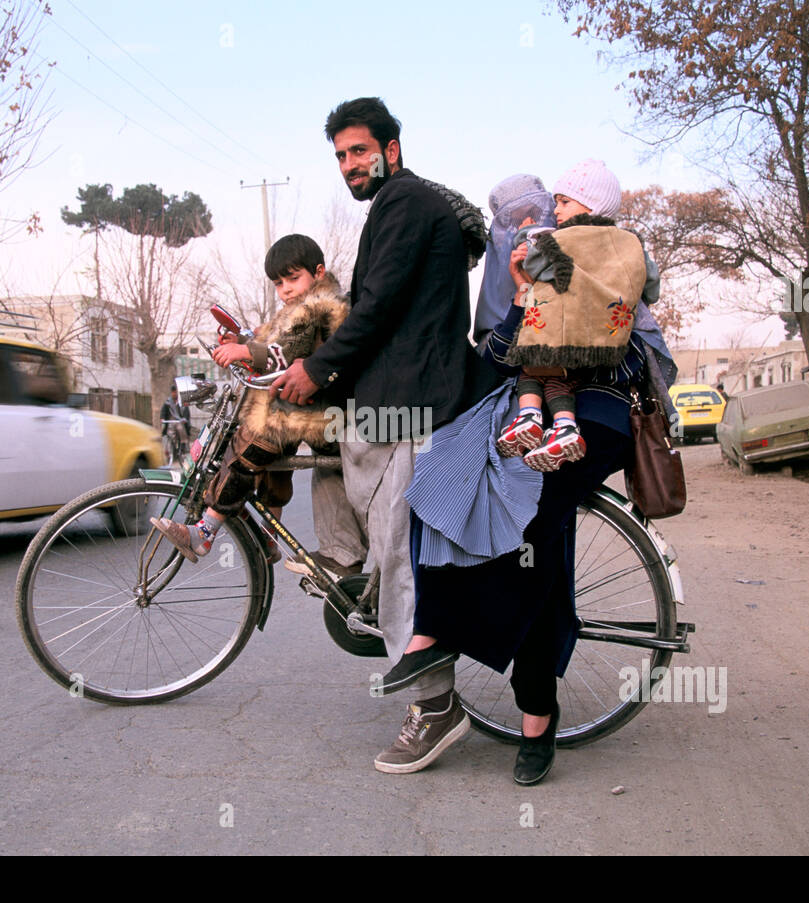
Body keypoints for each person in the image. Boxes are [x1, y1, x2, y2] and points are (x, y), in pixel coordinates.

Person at [387, 168, 677, 785]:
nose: (540, 222)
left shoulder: (614, 264)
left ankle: (530, 708)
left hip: (597, 414)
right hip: (528, 415)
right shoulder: (529, 266)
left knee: (533, 529)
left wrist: (577, 319)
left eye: (558, 207)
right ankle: (434, 634)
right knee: (440, 478)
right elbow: (496, 357)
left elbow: (640, 361)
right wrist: (524, 299)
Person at [269, 97, 497, 774]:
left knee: (398, 553)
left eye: (359, 150)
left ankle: (435, 708)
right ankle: (384, 622)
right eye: (340, 155)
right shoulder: (398, 209)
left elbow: (379, 306)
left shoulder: (405, 204)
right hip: (394, 401)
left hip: (413, 405)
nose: (349, 164)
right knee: (386, 546)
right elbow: (378, 315)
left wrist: (320, 368)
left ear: (390, 149)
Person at [150, 234, 349, 561]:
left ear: (318, 272)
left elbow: (288, 351)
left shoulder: (321, 305)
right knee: (270, 454)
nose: (285, 288)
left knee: (256, 438)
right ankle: (269, 537)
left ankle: (205, 531)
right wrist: (243, 338)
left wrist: (244, 349)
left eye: (293, 278)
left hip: (330, 413)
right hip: (312, 408)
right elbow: (275, 342)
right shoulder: (301, 306)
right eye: (278, 282)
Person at [494, 158, 658, 472]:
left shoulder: (559, 239)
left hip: (558, 338)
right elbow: (651, 288)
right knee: (563, 383)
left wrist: (529, 238)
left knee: (533, 372)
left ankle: (529, 418)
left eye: (564, 202)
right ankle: (565, 429)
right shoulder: (633, 245)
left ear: (592, 206)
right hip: (607, 345)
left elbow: (536, 264)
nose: (556, 211)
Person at [160, 383, 191, 462]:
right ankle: (170, 450)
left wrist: (184, 419)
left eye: (176, 392)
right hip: (171, 422)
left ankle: (184, 445)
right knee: (169, 434)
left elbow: (186, 412)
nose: (174, 394)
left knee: (181, 429)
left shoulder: (181, 402)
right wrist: (162, 418)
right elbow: (163, 411)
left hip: (179, 421)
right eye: (173, 392)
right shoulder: (168, 402)